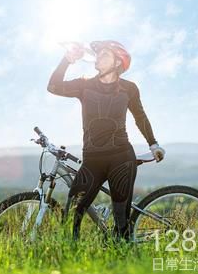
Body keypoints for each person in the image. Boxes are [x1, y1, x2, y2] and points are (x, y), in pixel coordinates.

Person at [46, 40, 165, 242]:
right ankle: (71, 258)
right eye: (98, 54)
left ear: (118, 62)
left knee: (121, 220)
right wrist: (67, 59)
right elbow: (53, 86)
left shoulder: (129, 88)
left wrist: (153, 144)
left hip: (121, 159)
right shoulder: (84, 85)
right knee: (74, 212)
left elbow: (140, 117)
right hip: (92, 160)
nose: (99, 57)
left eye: (105, 55)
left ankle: (123, 260)